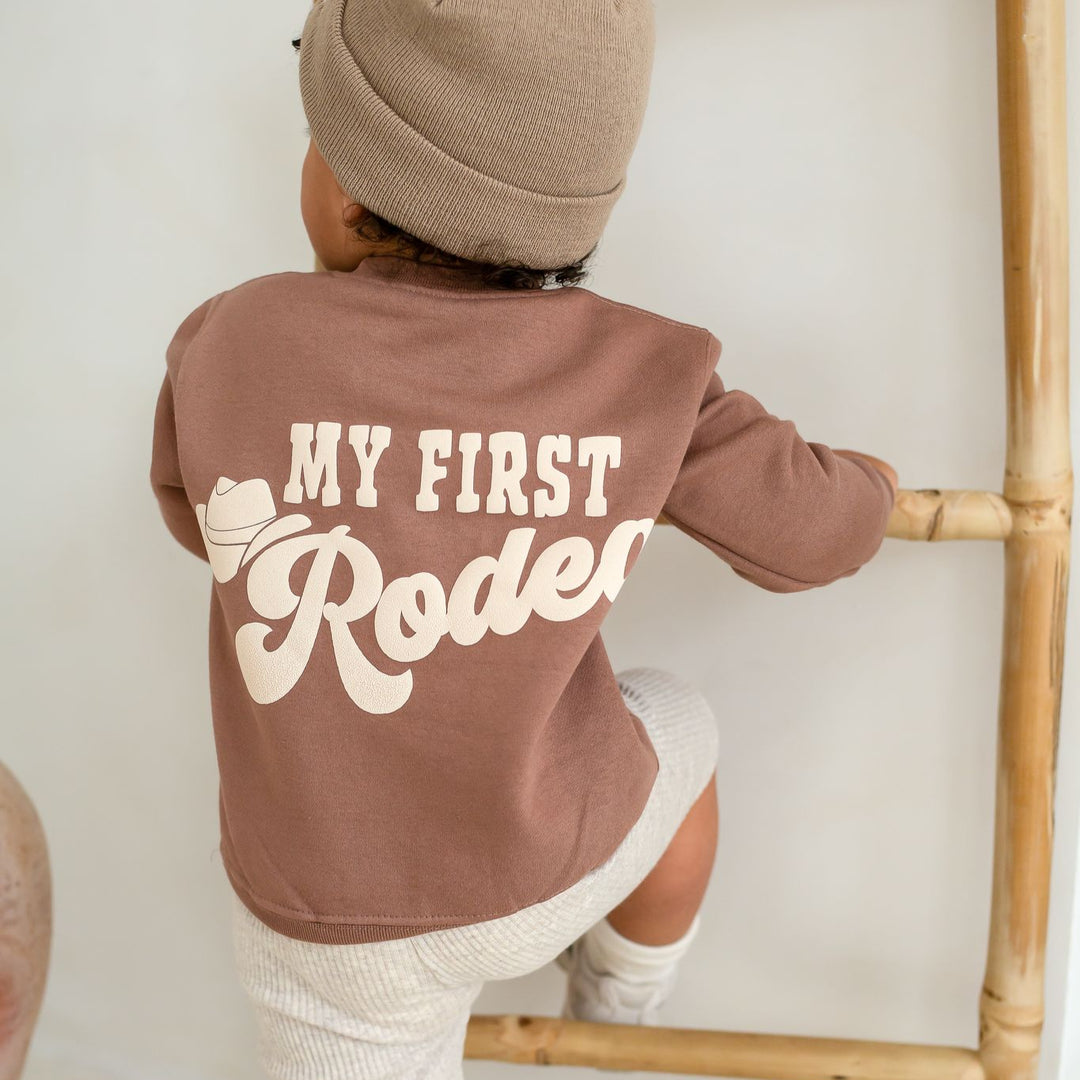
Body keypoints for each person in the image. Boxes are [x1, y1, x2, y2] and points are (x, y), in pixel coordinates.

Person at [149, 0, 899, 1076]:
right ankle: (618, 1006)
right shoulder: (645, 374)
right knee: (680, 722)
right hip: (544, 872)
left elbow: (195, 515)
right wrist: (873, 486)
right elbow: (815, 537)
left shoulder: (230, 336)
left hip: (318, 913)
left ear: (349, 192)